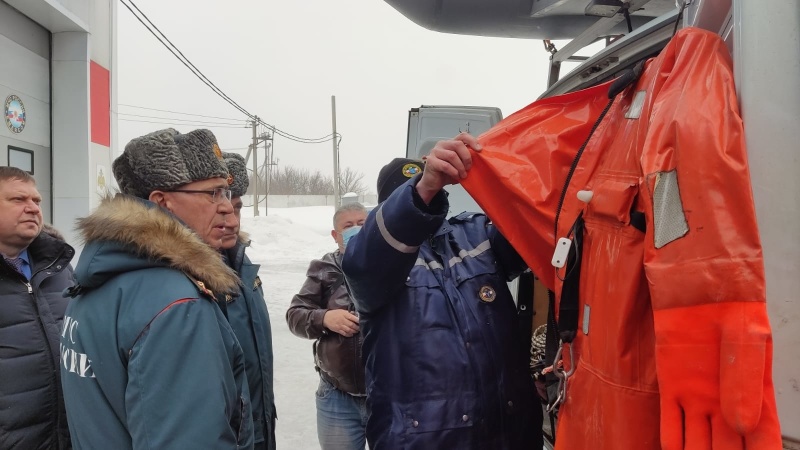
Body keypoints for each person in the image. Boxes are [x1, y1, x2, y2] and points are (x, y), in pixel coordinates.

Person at [341, 139, 544, 449]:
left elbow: (533, 228)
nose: (428, 197)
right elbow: (365, 262)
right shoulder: (371, 258)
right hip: (422, 440)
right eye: (413, 192)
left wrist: (511, 163)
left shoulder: (474, 233)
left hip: (510, 432)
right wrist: (423, 188)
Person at [59, 128, 254, 449]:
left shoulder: (100, 277)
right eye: (213, 193)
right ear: (163, 202)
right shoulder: (177, 304)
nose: (226, 207)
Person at [0, 166, 75, 450]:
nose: (32, 208)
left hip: (67, 436)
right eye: (18, 200)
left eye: (37, 201)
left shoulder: (60, 266)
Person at [286, 202, 369, 450]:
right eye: (348, 225)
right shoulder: (324, 270)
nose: (356, 230)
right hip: (337, 397)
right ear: (336, 235)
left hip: (389, 396)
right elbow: (295, 315)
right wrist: (324, 318)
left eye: (362, 225)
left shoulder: (391, 265)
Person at [221, 152, 277, 450]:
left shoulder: (241, 262)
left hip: (258, 428)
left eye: (238, 207)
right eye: (220, 205)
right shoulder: (187, 274)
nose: (230, 218)